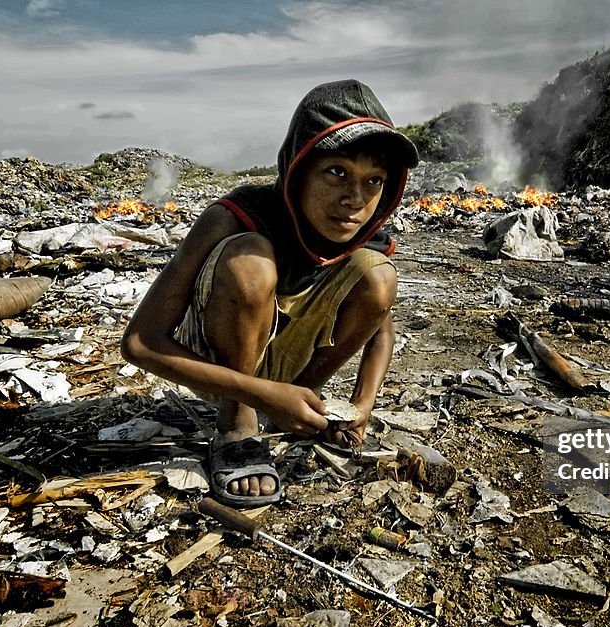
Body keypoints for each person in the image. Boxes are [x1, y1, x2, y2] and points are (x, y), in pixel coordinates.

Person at [121, 79, 418, 507]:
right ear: (298, 169)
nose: (355, 198)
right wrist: (259, 396)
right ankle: (238, 422)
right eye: (337, 173)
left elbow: (381, 330)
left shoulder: (363, 235)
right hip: (211, 357)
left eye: (373, 181)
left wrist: (360, 407)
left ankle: (301, 404)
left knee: (379, 276)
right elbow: (140, 343)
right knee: (251, 260)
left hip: (284, 371)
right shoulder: (236, 214)